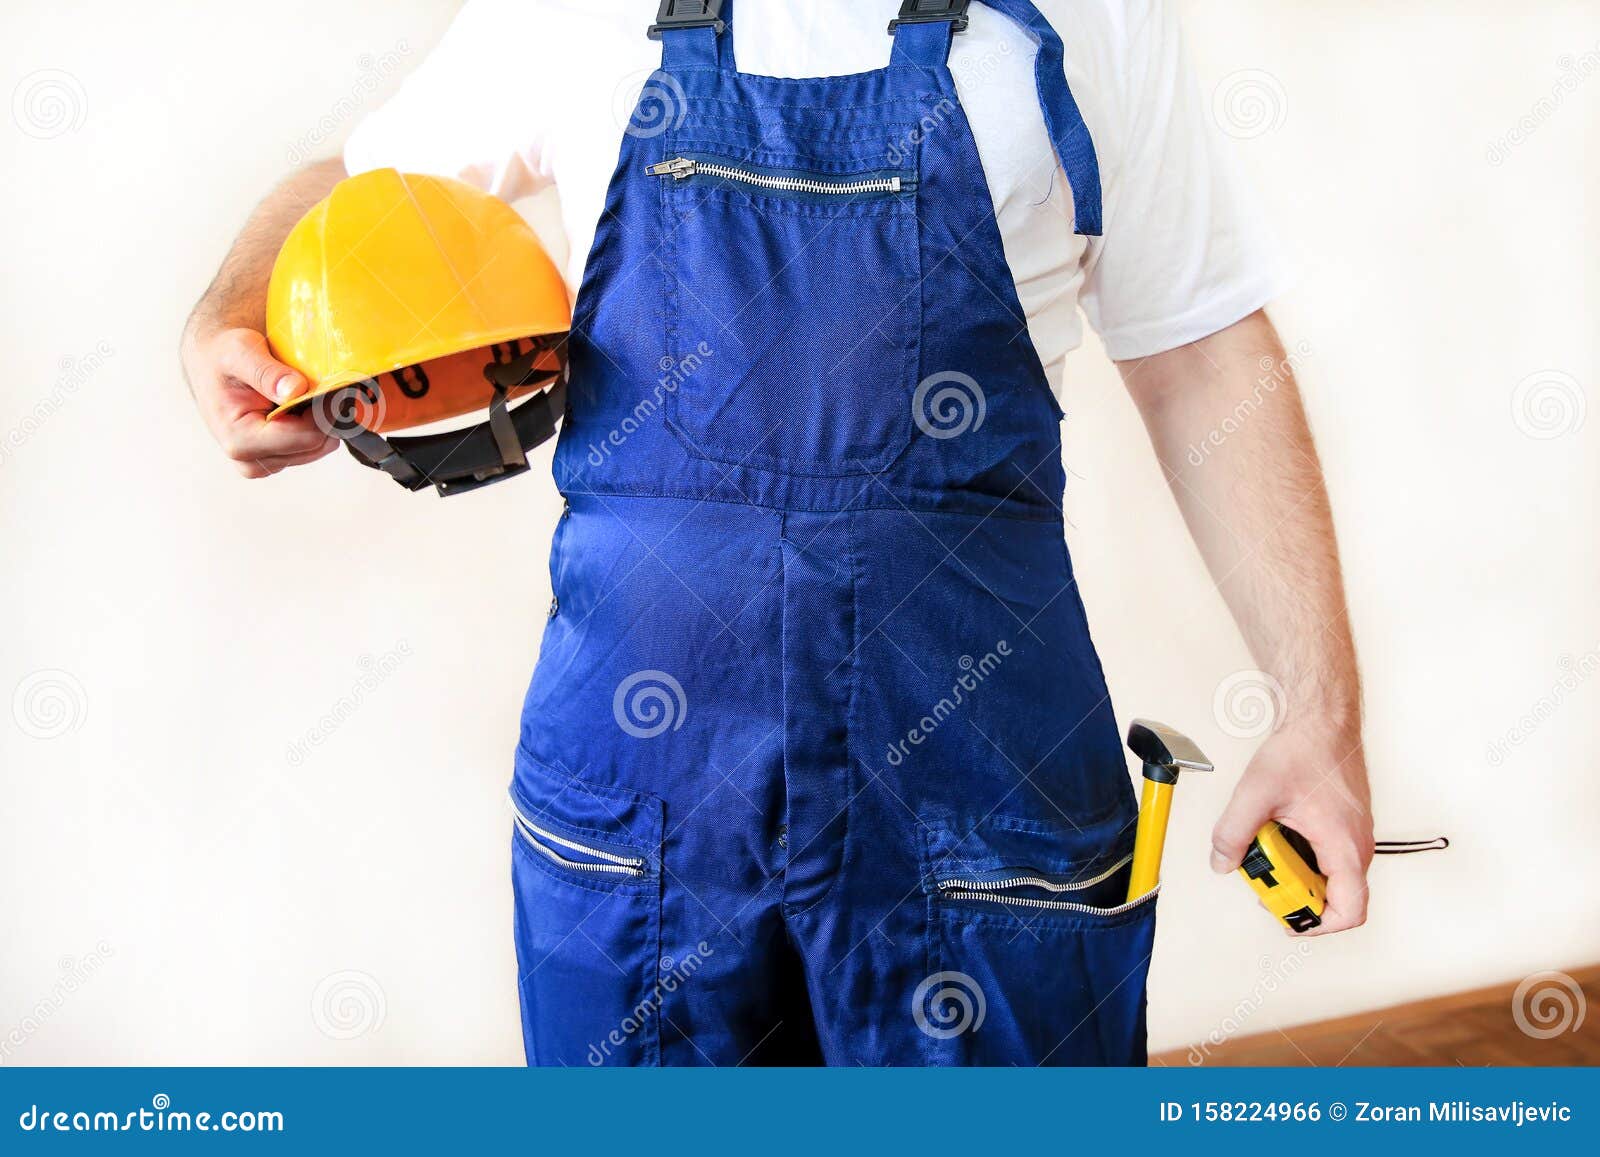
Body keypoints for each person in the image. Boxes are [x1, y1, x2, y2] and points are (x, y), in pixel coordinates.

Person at [180, 0, 1373, 1066]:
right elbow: (354, 185)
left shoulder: (1086, 16)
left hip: (979, 784)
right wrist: (227, 312)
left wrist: (1318, 710)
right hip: (640, 801)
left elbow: (1205, 350)